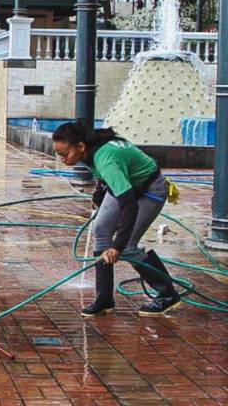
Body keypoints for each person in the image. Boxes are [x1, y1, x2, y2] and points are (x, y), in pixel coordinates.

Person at [51, 121, 181, 317]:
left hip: (150, 189)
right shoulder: (92, 149)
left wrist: (117, 246)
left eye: (64, 153)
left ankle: (168, 294)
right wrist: (99, 192)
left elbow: (130, 205)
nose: (62, 159)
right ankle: (104, 300)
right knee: (101, 230)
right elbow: (109, 176)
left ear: (80, 146)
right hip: (128, 184)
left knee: (128, 246)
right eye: (58, 154)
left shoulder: (106, 159)